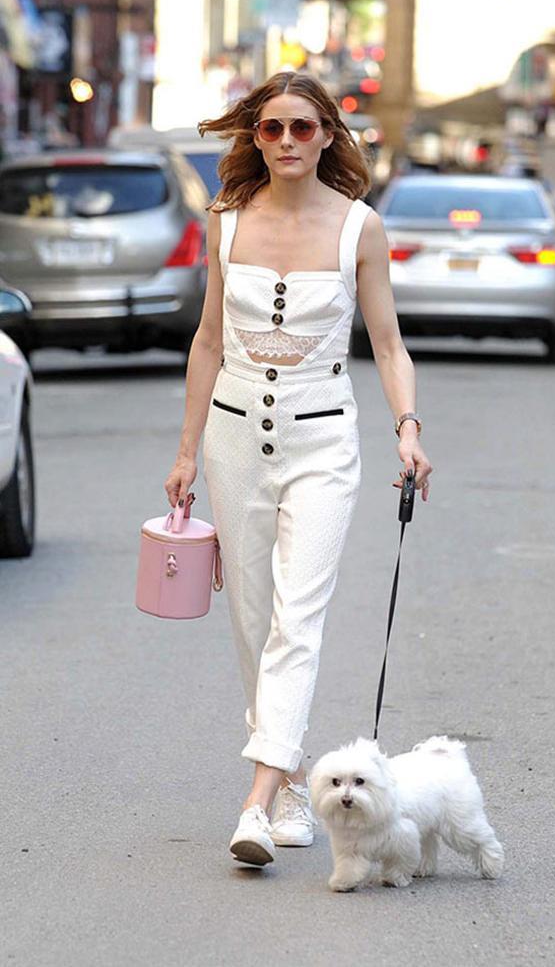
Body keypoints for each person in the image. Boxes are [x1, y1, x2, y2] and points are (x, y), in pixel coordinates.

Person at [164, 71, 433, 868]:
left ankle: (253, 800)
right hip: (234, 439)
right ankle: (286, 785)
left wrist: (408, 429)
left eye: (303, 128)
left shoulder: (360, 229)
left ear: (327, 136)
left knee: (297, 620)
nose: (286, 141)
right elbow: (208, 342)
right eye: (273, 128)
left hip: (325, 441)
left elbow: (387, 344)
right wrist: (184, 452)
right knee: (251, 619)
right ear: (256, 136)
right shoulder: (226, 223)